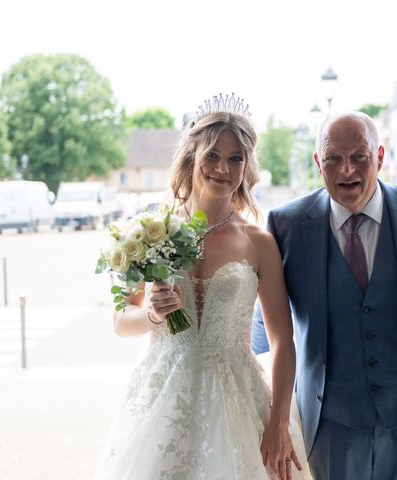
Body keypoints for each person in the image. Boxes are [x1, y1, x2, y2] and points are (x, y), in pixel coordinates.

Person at [93, 95, 308, 480]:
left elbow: (282, 342)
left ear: (247, 165)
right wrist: (152, 314)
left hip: (236, 398)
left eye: (235, 158)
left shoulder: (259, 242)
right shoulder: (147, 231)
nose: (222, 168)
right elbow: (120, 322)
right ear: (193, 157)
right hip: (161, 397)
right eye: (213, 155)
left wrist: (277, 424)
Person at [252, 111, 397, 479]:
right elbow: (268, 326)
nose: (346, 170)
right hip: (328, 425)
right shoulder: (285, 225)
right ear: (318, 162)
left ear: (380, 157)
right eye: (333, 158)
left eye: (359, 157)